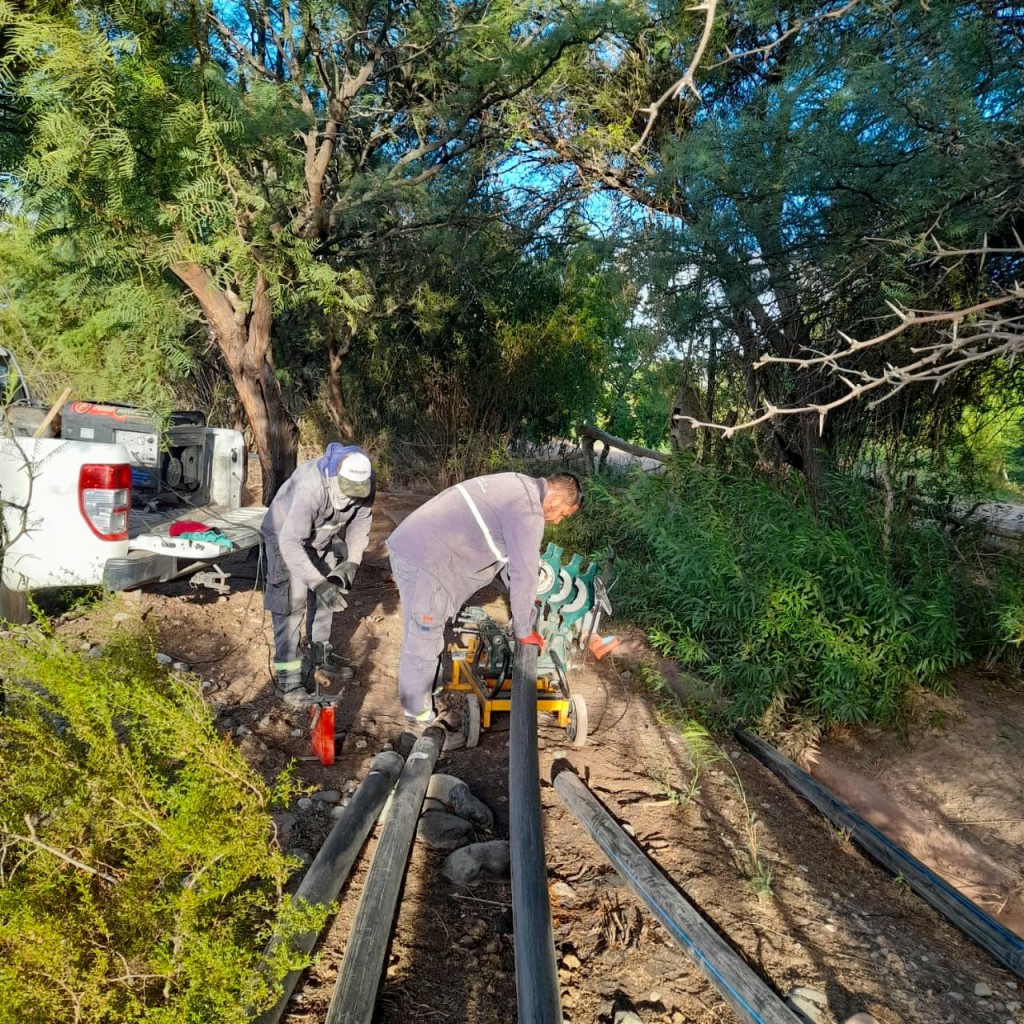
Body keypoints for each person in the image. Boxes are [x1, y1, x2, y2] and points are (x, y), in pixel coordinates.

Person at [386, 471, 582, 726]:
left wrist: (525, 599)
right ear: (556, 498)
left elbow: (507, 558)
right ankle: (417, 717)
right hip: (427, 560)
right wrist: (524, 630)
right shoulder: (529, 512)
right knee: (424, 634)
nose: (556, 521)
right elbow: (523, 571)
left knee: (427, 632)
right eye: (563, 514)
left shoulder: (518, 485)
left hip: (416, 548)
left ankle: (427, 694)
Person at [261, 443, 375, 705]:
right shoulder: (312, 487)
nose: (351, 500)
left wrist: (352, 562)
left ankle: (317, 659)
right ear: (335, 477)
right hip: (285, 537)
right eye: (347, 492)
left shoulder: (366, 480)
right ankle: (288, 683)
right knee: (293, 602)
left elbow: (360, 523)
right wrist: (317, 582)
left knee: (327, 599)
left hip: (322, 538)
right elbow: (290, 542)